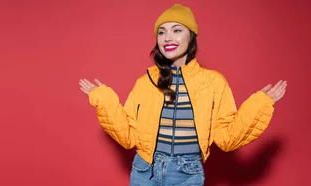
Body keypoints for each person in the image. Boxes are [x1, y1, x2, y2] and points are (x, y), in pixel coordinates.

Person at [78, 4, 287, 186]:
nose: (167, 37)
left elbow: (227, 138)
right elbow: (127, 137)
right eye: (161, 32)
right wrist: (104, 101)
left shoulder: (213, 82)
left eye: (177, 30)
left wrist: (260, 105)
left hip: (187, 174)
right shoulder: (145, 82)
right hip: (144, 171)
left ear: (191, 36)